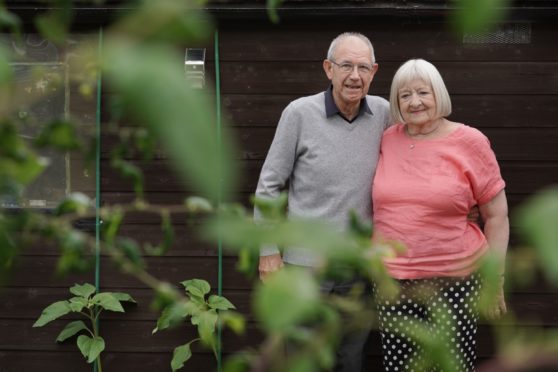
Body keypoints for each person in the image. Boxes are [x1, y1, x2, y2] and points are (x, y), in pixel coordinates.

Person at [254, 32, 390, 371]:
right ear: (328, 69)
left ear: (374, 72)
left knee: (350, 357)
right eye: (345, 66)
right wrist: (268, 250)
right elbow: (269, 185)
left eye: (362, 67)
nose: (354, 76)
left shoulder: (385, 113)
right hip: (304, 267)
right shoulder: (299, 113)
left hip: (358, 267)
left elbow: (417, 150)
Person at [371, 58, 509, 371]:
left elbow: (498, 216)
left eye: (423, 92)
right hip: (392, 281)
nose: (414, 101)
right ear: (396, 102)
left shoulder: (470, 142)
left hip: (455, 280)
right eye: (404, 95)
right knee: (401, 366)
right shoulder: (386, 139)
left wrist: (495, 278)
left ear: (439, 95)